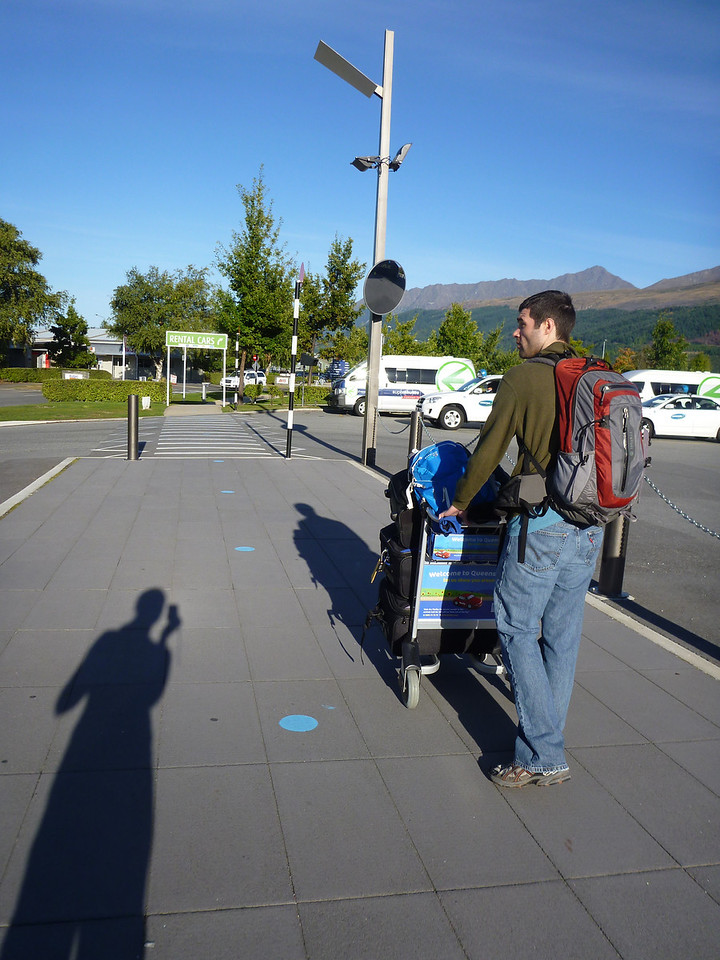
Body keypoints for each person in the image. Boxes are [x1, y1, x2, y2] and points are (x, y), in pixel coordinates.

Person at [440, 290, 603, 788]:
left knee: (513, 627)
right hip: (592, 525)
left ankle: (543, 756)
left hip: (543, 524)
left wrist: (460, 502)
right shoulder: (598, 372)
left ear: (548, 327)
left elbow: (490, 449)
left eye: (523, 323)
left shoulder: (524, 377)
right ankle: (546, 742)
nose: (517, 331)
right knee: (562, 637)